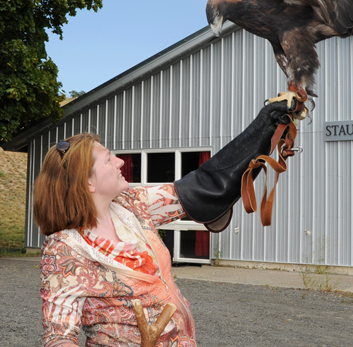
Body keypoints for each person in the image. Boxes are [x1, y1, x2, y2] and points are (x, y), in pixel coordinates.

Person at [33, 100, 291, 347]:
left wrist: (266, 125)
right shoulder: (65, 249)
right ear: (87, 182)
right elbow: (59, 337)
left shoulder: (131, 205)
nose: (120, 161)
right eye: (109, 159)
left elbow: (204, 186)